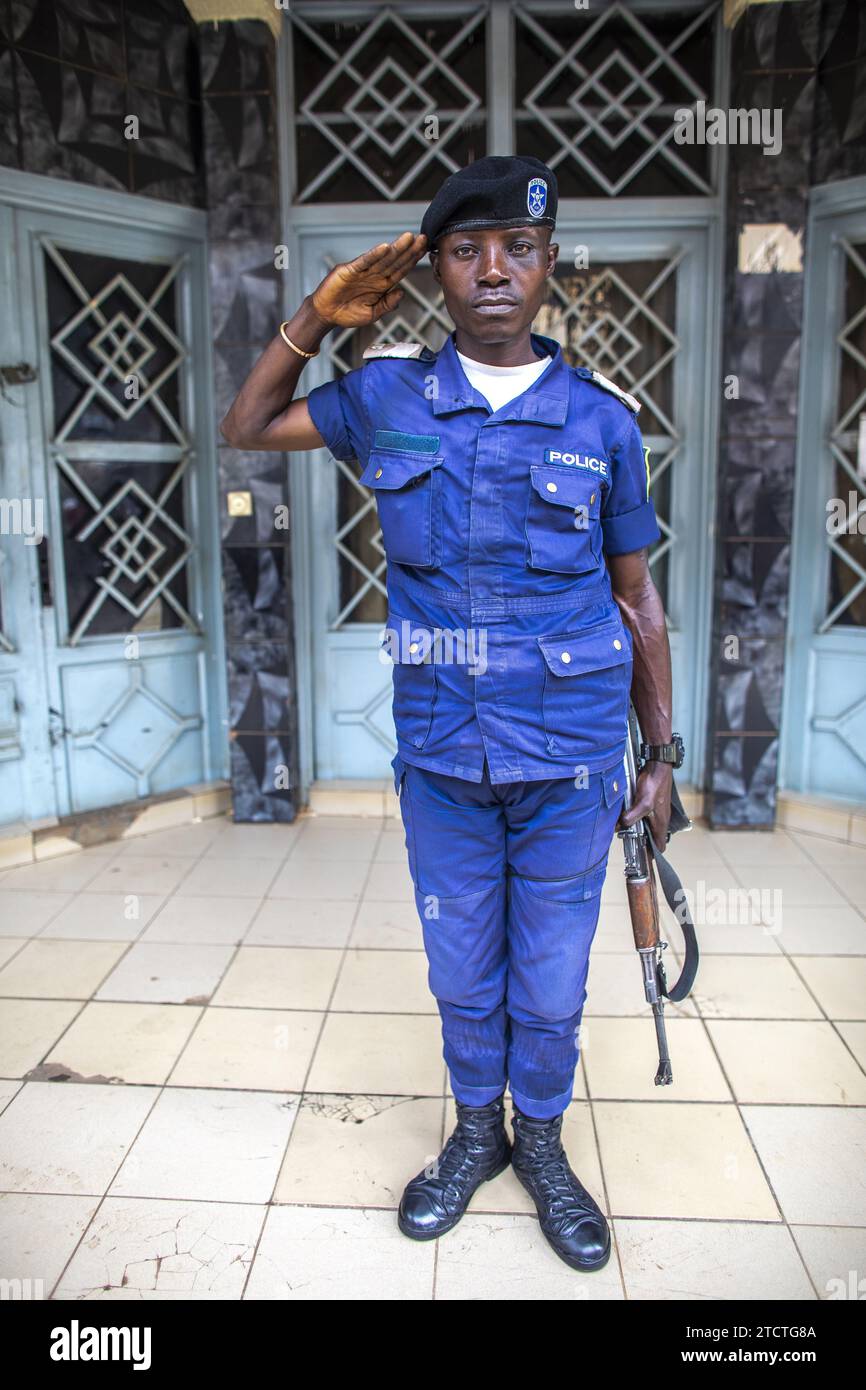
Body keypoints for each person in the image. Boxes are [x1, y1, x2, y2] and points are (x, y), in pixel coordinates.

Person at [220, 154, 676, 1274]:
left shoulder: (601, 423)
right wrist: (314, 317)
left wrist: (660, 760)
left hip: (571, 757)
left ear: (546, 265)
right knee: (461, 962)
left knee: (552, 972)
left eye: (515, 249)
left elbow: (636, 598)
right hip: (442, 752)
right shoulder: (384, 398)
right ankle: (474, 1135)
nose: (490, 271)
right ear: (431, 272)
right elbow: (245, 424)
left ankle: (543, 1144)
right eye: (464, 250)